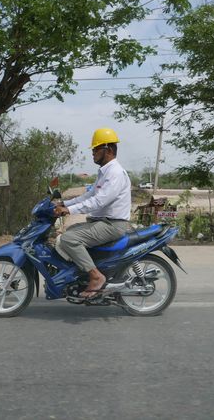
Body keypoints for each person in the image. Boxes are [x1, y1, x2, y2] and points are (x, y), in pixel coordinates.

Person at [54, 127, 132, 298]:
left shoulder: (115, 173)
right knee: (67, 234)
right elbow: (89, 195)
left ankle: (96, 276)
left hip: (112, 225)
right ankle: (84, 273)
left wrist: (69, 210)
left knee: (69, 239)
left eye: (96, 149)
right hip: (102, 222)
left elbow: (98, 201)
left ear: (108, 150)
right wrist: (64, 203)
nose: (93, 153)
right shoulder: (105, 172)